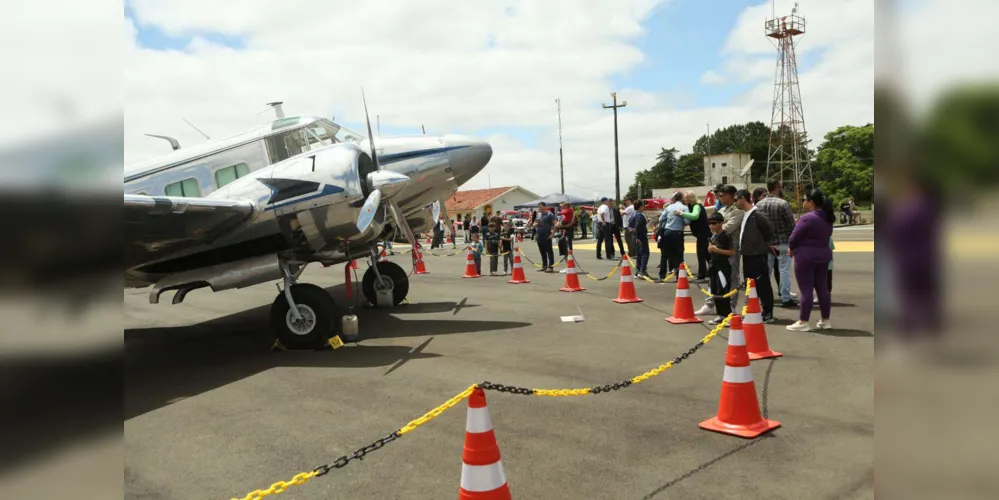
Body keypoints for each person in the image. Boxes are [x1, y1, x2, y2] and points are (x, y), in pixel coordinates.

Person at [787, 189, 835, 331]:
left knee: (806, 289)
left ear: (811, 202)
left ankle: (803, 321)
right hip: (823, 255)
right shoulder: (827, 218)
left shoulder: (807, 218)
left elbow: (793, 238)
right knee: (823, 288)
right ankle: (825, 320)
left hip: (806, 257)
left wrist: (792, 248)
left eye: (804, 199)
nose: (803, 202)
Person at [734, 188, 776, 323]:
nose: (735, 203)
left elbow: (769, 230)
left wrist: (762, 244)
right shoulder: (745, 214)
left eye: (736, 200)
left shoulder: (757, 214)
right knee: (750, 285)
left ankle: (768, 312)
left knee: (762, 284)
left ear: (742, 198)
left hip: (757, 255)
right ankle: (753, 309)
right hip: (747, 255)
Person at [755, 180, 797, 307]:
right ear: (777, 187)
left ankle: (765, 298)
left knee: (766, 272)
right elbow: (791, 225)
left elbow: (757, 226)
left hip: (766, 244)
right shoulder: (783, 203)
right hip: (782, 242)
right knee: (784, 270)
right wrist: (793, 243)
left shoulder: (759, 205)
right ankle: (785, 297)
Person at [705, 212, 734, 325]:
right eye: (710, 223)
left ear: (721, 223)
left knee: (723, 291)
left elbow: (732, 252)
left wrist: (717, 250)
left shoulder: (725, 235)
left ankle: (727, 315)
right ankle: (721, 314)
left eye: (714, 223)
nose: (711, 226)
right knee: (715, 291)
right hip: (714, 266)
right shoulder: (714, 235)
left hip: (722, 267)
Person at [676, 191, 710, 282]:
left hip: (703, 234)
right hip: (702, 234)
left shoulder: (696, 206)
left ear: (690, 199)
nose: (684, 200)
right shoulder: (693, 206)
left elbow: (694, 216)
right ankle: (711, 271)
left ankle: (701, 274)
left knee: (701, 254)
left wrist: (681, 213)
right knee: (707, 255)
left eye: (685, 198)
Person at [656, 191, 688, 280]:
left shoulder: (669, 207)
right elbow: (687, 222)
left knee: (664, 255)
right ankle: (679, 276)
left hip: (667, 231)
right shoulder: (684, 208)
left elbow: (661, 218)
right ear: (681, 199)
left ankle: (662, 275)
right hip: (678, 232)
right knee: (679, 254)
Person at [628, 200, 650, 277]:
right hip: (641, 236)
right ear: (640, 206)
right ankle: (642, 270)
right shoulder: (640, 215)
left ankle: (638, 271)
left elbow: (629, 225)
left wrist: (631, 230)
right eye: (643, 205)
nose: (644, 206)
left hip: (635, 236)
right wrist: (639, 238)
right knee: (645, 253)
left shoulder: (634, 214)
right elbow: (639, 227)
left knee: (639, 254)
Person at [533, 201, 556, 272]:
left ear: (544, 207)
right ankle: (544, 266)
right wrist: (536, 224)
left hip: (547, 235)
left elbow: (555, 224)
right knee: (542, 252)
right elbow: (534, 225)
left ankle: (550, 267)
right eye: (538, 207)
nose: (539, 208)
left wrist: (552, 234)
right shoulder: (538, 215)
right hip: (539, 235)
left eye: (540, 206)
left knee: (549, 252)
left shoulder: (550, 214)